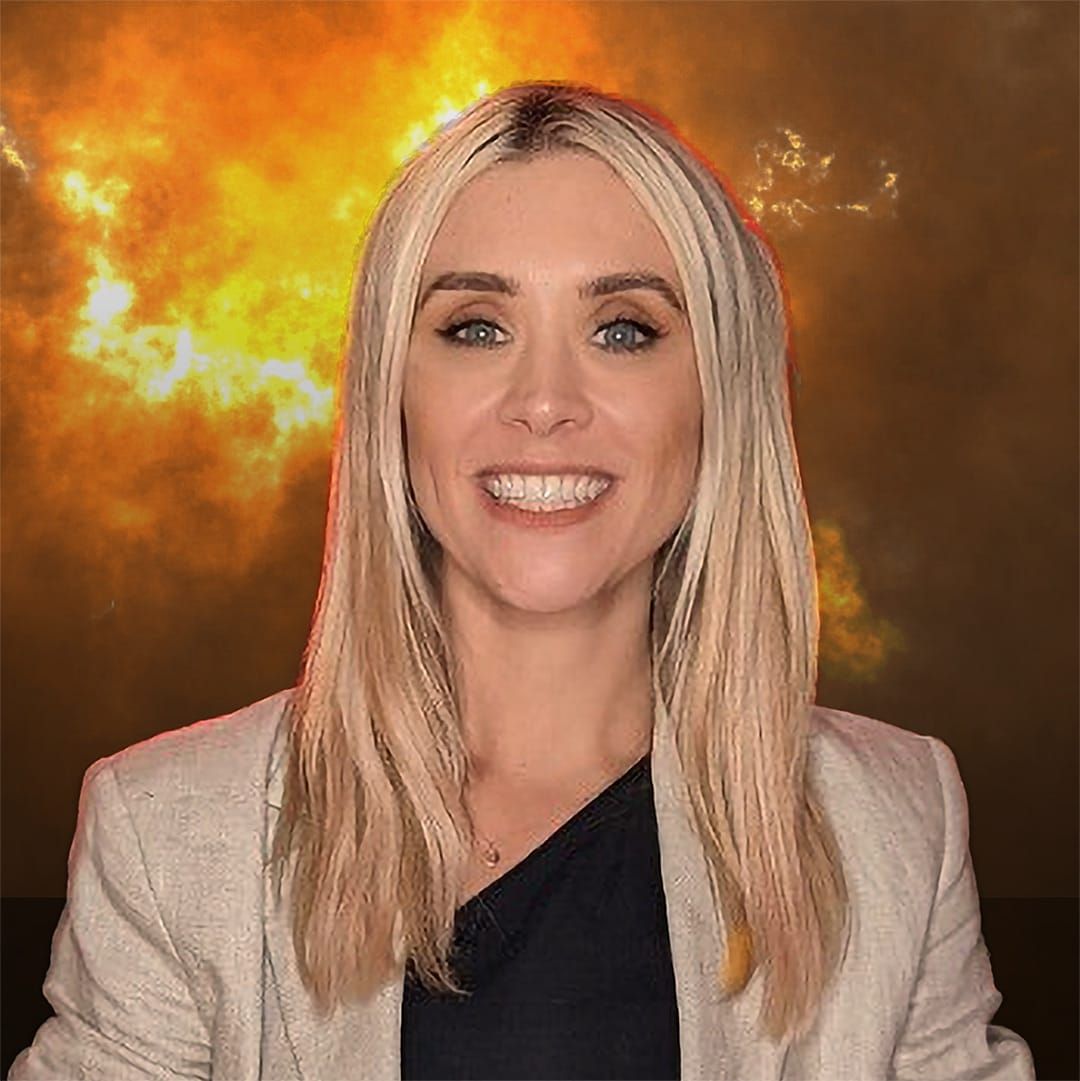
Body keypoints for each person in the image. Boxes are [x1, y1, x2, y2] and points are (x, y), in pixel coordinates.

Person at [9, 80, 1035, 1081]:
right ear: (391, 392)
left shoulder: (893, 821)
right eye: (476, 328)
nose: (544, 401)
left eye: (623, 329)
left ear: (719, 395)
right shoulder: (171, 831)